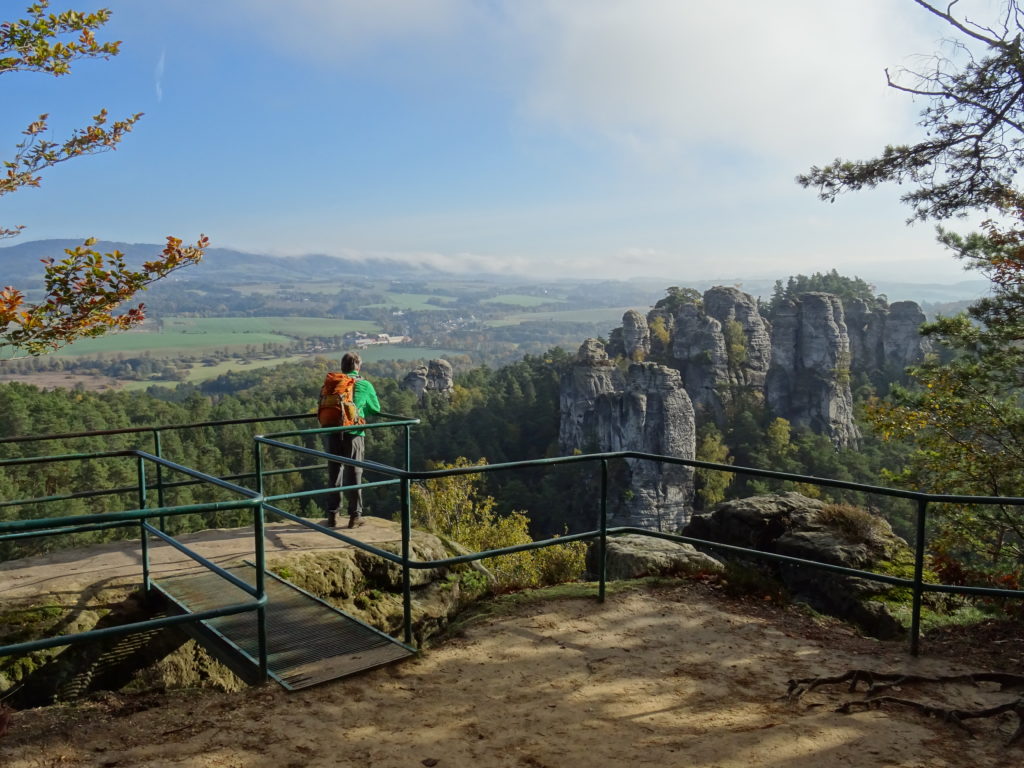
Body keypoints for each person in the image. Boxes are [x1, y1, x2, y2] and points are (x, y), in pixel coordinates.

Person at [324, 351, 381, 528]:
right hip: (354, 432)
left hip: (332, 430)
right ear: (358, 366)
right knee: (355, 472)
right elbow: (376, 409)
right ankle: (355, 516)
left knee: (335, 472)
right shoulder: (364, 384)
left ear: (342, 367)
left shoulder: (334, 383)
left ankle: (333, 514)